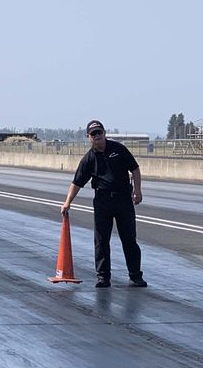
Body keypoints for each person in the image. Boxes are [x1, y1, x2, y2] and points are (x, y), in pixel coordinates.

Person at [60, 120, 148, 288]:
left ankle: (135, 276)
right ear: (88, 137)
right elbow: (77, 182)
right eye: (93, 134)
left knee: (129, 239)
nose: (98, 136)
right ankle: (103, 277)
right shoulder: (89, 158)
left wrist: (138, 190)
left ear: (104, 133)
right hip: (103, 201)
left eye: (100, 132)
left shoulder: (118, 149)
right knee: (101, 241)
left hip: (123, 200)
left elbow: (135, 169)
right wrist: (67, 203)